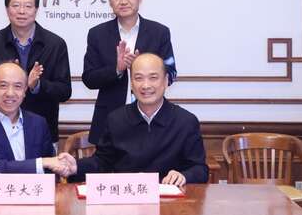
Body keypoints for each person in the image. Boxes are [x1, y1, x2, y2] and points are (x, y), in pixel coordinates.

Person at [66, 53, 207, 185]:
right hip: (126, 197)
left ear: (165, 81)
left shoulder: (186, 122)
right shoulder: (116, 119)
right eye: (139, 78)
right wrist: (75, 167)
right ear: (132, 84)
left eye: (153, 78)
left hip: (169, 199)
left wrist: (184, 176)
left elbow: (199, 168)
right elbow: (102, 162)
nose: (146, 85)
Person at [82, 0, 177, 144]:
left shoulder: (159, 32)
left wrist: (145, 67)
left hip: (150, 117)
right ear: (110, 1)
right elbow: (89, 78)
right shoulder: (97, 34)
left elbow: (171, 73)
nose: (123, 1)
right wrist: (117, 69)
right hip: (110, 118)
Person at [0, 0, 72, 146]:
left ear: (36, 10)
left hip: (42, 132)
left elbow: (64, 92)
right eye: (16, 5)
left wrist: (37, 85)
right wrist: (3, 83)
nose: (21, 11)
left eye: (28, 6)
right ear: (7, 10)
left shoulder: (55, 44)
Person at [0, 61, 76, 183]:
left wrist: (62, 168)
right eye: (3, 85)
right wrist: (42, 163)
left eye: (17, 86)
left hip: (34, 193)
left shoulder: (38, 123)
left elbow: (50, 171)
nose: (10, 93)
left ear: (25, 90)